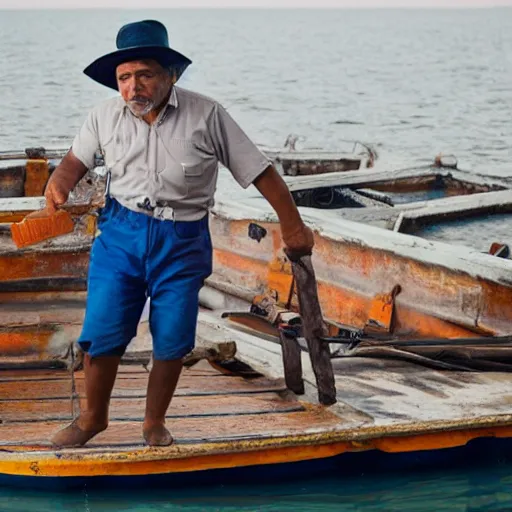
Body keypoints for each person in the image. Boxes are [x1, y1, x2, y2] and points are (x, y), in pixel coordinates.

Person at [48, 19, 314, 448]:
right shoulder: (103, 116)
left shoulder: (207, 114)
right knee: (101, 330)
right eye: (124, 78)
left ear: (170, 74)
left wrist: (293, 225)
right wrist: (58, 183)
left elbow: (261, 172)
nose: (134, 87)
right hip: (121, 234)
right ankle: (92, 420)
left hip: (183, 239)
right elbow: (72, 162)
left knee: (172, 335)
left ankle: (154, 421)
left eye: (145, 74)